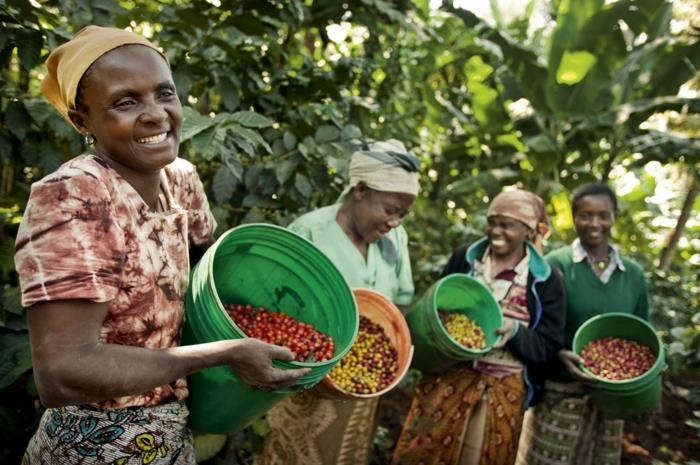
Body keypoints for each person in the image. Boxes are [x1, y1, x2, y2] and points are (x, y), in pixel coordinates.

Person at [15, 25, 309, 465]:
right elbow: (63, 373)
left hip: (173, 432)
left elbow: (206, 288)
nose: (155, 114)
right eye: (125, 102)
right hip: (95, 444)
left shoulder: (180, 179)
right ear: (83, 121)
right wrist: (225, 353)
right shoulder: (75, 197)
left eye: (164, 94)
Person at [256, 139, 420, 465]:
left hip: (362, 383)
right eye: (390, 211)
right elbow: (276, 311)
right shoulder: (310, 232)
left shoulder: (395, 238)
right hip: (309, 379)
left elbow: (399, 302)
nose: (395, 223)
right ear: (360, 190)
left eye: (402, 215)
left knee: (348, 451)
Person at [392, 189, 566, 465]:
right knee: (425, 452)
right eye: (492, 222)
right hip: (449, 375)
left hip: (502, 388)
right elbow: (438, 304)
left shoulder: (546, 279)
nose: (495, 231)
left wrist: (515, 332)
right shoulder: (466, 259)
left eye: (506, 225)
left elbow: (548, 347)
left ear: (528, 230)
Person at [515, 183, 650, 465]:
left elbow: (642, 333)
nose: (594, 223)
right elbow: (533, 325)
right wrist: (558, 356)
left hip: (611, 396)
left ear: (614, 218)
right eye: (586, 215)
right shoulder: (554, 265)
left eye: (603, 215)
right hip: (560, 390)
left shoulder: (633, 275)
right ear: (574, 217)